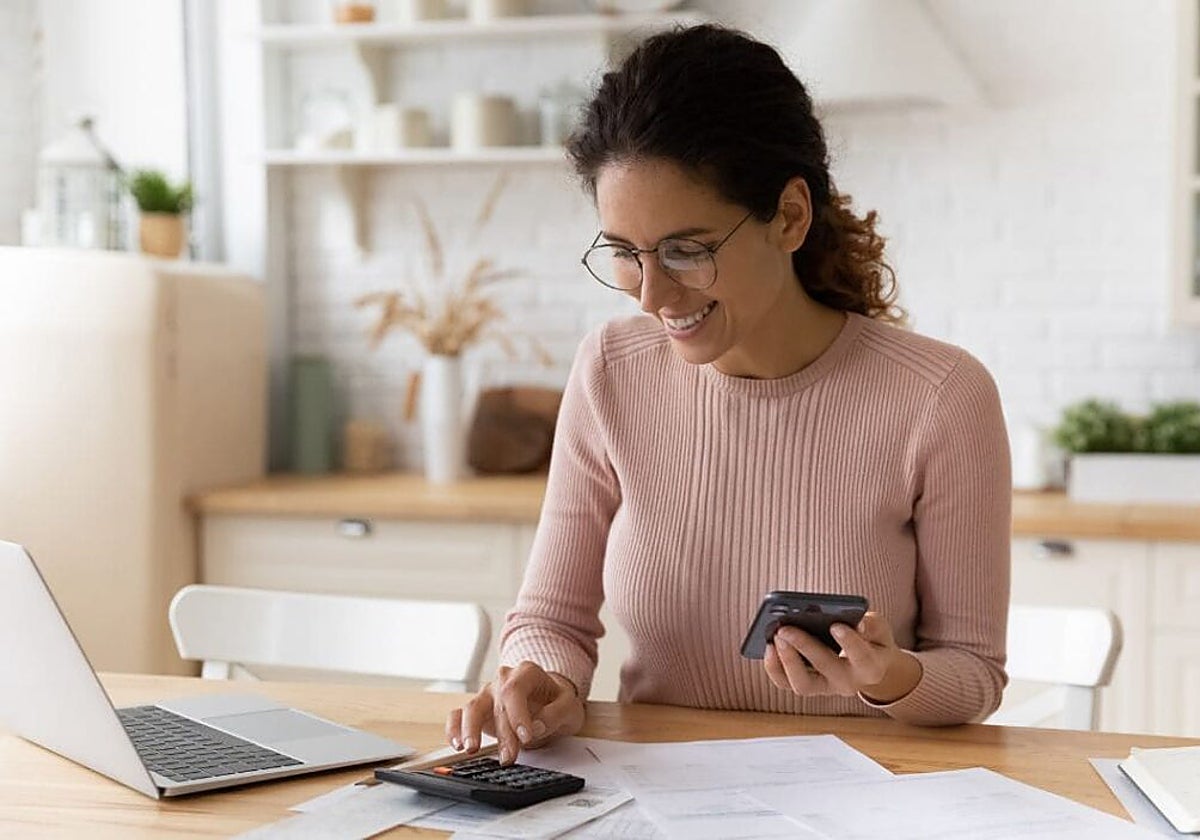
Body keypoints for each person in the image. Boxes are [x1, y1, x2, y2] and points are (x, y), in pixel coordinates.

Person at [447, 24, 1011, 765]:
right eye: (624, 253)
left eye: (687, 250)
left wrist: (894, 677)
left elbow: (973, 672)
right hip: (653, 799)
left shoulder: (940, 397)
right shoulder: (611, 371)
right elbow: (552, 617)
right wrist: (544, 680)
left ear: (791, 216)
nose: (651, 295)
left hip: (860, 799)